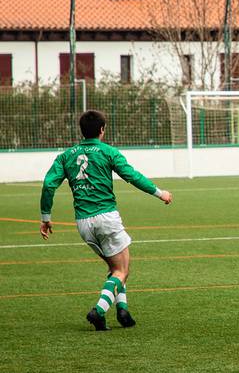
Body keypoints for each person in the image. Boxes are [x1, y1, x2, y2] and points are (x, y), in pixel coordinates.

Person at [40, 110, 173, 331]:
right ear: (102, 129)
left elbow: (48, 185)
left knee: (115, 268)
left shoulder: (66, 155)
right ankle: (99, 311)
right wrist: (160, 193)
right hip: (106, 218)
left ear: (82, 130)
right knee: (122, 270)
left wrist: (46, 217)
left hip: (83, 223)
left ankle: (123, 312)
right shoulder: (108, 152)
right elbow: (132, 176)